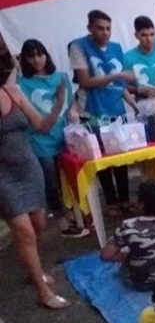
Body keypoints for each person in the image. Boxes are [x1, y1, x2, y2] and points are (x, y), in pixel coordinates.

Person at [0, 34, 70, 309]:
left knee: (39, 225)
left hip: (28, 168)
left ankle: (33, 268)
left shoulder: (13, 92)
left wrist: (59, 103)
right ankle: (44, 293)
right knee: (25, 231)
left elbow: (41, 126)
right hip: (3, 176)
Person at [17, 39, 88, 239]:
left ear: (46, 55)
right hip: (39, 140)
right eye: (31, 56)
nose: (37, 60)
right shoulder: (21, 84)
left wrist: (74, 110)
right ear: (25, 59)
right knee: (51, 182)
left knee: (71, 177)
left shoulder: (61, 77)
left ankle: (78, 213)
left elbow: (72, 102)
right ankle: (62, 220)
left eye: (40, 54)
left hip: (65, 137)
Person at [70, 10, 135, 214]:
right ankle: (111, 202)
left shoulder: (116, 48)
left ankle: (125, 199)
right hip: (93, 110)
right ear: (90, 28)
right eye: (100, 28)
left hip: (116, 109)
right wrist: (117, 76)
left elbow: (120, 85)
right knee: (101, 159)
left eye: (108, 28)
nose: (105, 32)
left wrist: (133, 104)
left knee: (120, 156)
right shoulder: (78, 47)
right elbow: (85, 81)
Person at [100, 180, 155, 291]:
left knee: (126, 253)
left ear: (141, 204)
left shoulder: (127, 226)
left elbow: (105, 255)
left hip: (139, 282)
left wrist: (124, 256)